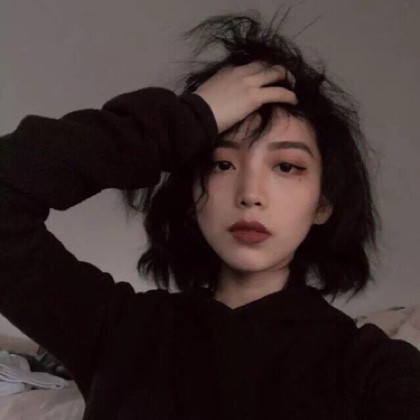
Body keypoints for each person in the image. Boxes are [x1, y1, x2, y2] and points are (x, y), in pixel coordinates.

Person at [1, 11, 419, 420]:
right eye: (222, 164)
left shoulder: (370, 368)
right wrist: (188, 118)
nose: (250, 194)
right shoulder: (120, 328)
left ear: (323, 203)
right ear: (192, 192)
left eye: (286, 166)